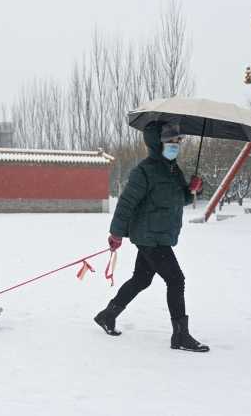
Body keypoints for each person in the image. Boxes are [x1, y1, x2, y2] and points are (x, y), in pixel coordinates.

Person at [94, 122, 209, 352]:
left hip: (161, 235)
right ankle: (180, 335)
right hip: (149, 236)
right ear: (158, 143)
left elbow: (179, 200)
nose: (175, 145)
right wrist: (116, 233)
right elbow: (126, 203)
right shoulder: (144, 171)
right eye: (171, 141)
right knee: (176, 280)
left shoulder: (173, 170)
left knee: (142, 279)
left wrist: (193, 190)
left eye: (178, 141)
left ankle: (108, 315)